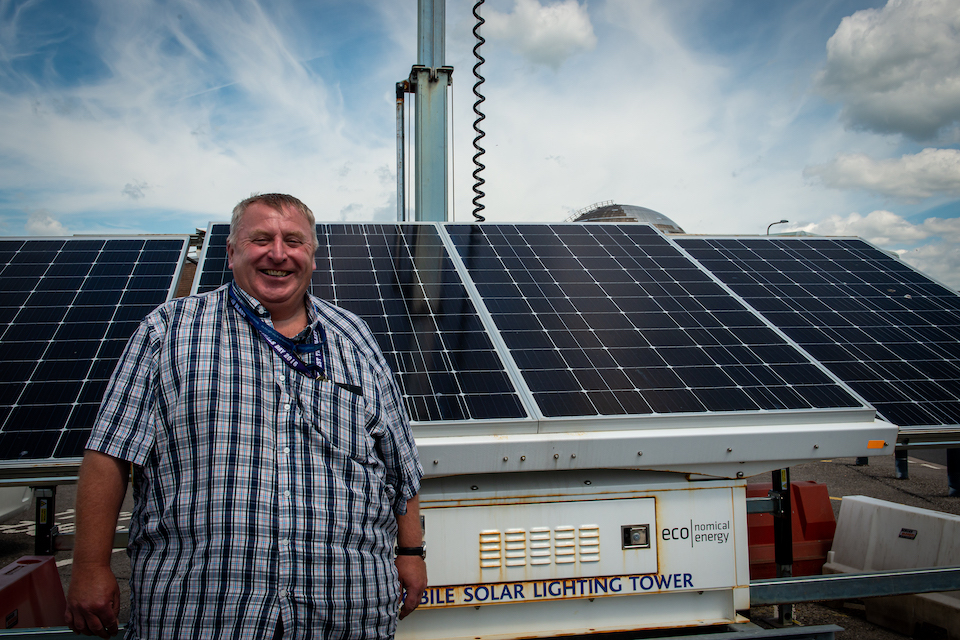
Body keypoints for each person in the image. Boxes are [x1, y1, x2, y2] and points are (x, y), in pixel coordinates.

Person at [65, 194, 426, 639]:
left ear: (312, 255)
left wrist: (412, 552)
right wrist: (90, 566)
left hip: (345, 605)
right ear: (232, 251)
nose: (278, 253)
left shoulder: (354, 337)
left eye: (293, 241)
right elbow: (110, 454)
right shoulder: (168, 331)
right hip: (201, 609)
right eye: (261, 239)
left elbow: (400, 462)